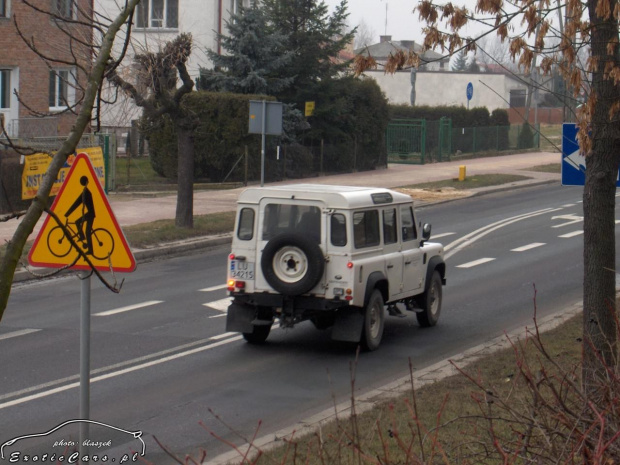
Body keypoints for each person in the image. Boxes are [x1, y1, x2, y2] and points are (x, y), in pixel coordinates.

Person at [65, 176, 95, 255]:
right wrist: (67, 213)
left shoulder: (86, 192)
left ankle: (90, 250)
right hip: (89, 213)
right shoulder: (85, 191)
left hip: (90, 214)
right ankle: (82, 236)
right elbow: (77, 202)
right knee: (77, 222)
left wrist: (67, 213)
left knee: (87, 231)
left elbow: (77, 203)